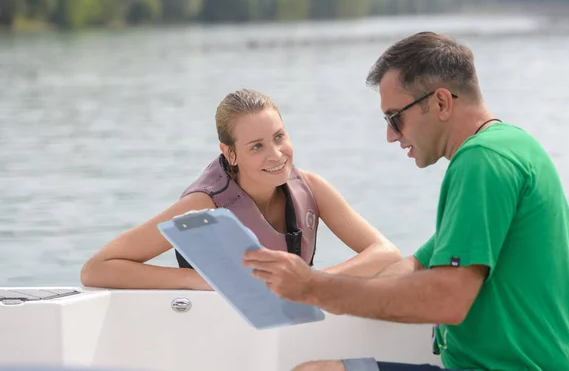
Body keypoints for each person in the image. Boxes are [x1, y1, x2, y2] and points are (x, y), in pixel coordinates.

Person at [243, 32, 569, 371]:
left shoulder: (481, 160)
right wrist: (319, 290)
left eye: (395, 118)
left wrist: (317, 289)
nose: (391, 135)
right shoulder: (511, 146)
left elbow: (448, 299)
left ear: (441, 102)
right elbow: (419, 266)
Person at [80, 88, 402, 290]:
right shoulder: (204, 203)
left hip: (288, 327)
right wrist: (203, 281)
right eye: (257, 146)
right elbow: (97, 269)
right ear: (230, 153)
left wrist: (315, 281)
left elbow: (386, 253)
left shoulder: (312, 188)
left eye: (279, 137)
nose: (275, 155)